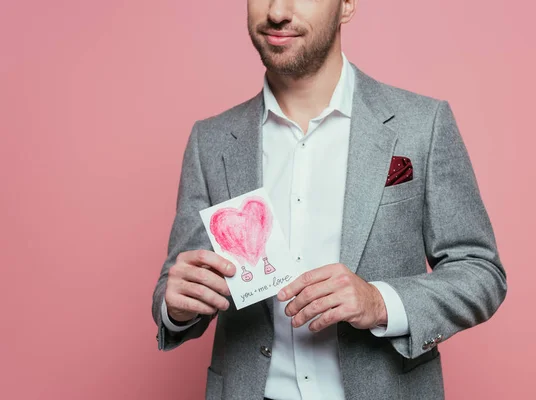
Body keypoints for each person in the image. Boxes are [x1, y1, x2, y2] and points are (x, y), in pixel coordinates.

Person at [151, 1, 507, 399]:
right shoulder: (210, 141)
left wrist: (379, 301)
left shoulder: (422, 125)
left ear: (347, 6)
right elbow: (179, 281)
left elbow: (480, 272)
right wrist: (177, 307)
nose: (277, 12)